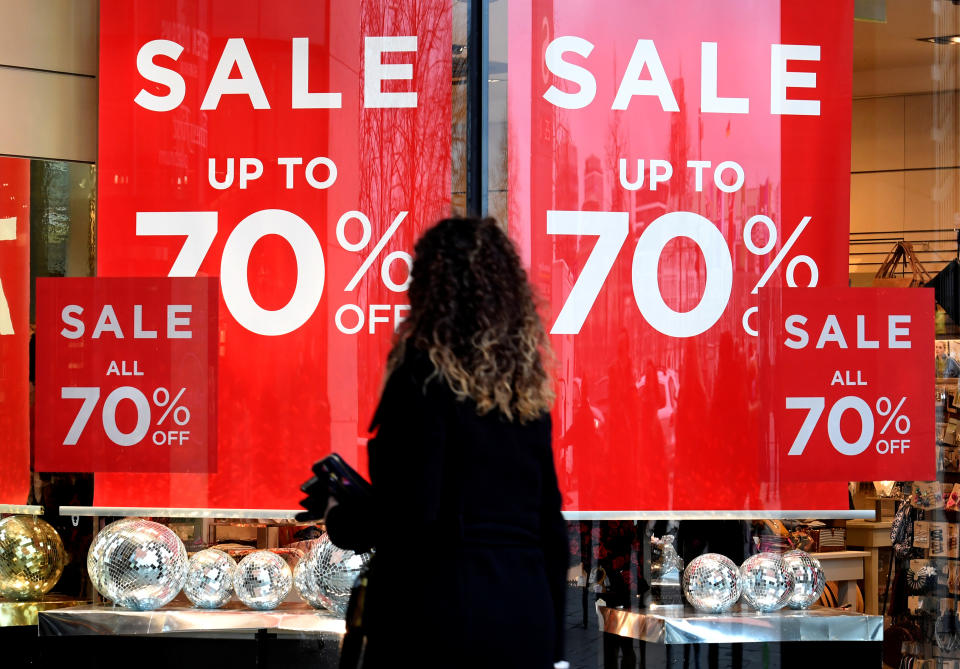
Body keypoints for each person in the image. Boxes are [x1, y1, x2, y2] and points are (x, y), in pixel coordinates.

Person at [324, 217, 568, 669]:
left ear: (429, 292)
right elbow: (550, 528)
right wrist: (552, 645)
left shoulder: (421, 379)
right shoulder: (524, 396)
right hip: (523, 613)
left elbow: (412, 512)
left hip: (439, 615)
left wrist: (343, 515)